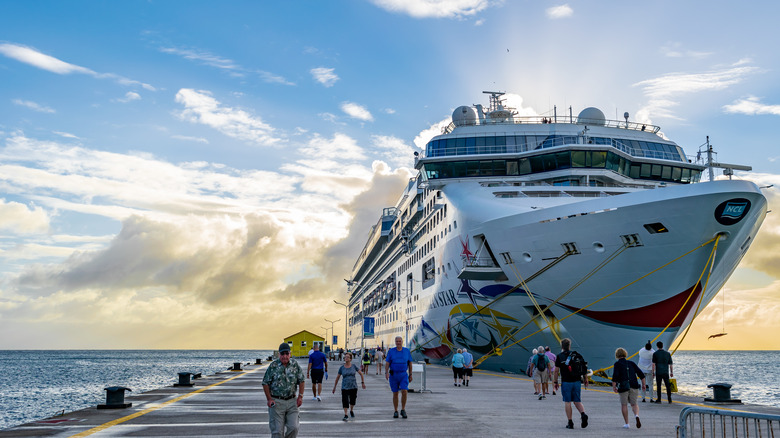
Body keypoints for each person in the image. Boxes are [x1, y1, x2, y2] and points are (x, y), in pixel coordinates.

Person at [262, 342, 305, 438]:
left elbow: (301, 380)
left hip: (292, 402)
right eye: (282, 354)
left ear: (290, 354)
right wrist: (269, 399)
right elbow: (265, 383)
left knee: (294, 428)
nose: (284, 356)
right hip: (277, 402)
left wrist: (300, 396)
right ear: (279, 354)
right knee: (277, 432)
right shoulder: (273, 366)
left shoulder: (295, 365)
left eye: (287, 354)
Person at [553, 338, 589, 429]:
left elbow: (556, 371)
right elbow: (583, 367)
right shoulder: (576, 355)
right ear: (569, 346)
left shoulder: (560, 356)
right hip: (577, 381)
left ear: (562, 346)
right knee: (577, 400)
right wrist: (585, 379)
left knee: (568, 402)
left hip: (566, 382)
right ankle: (583, 414)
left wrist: (555, 382)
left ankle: (570, 422)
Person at [611, 347, 645, 429]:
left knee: (624, 405)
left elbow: (615, 376)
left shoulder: (617, 364)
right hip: (634, 385)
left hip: (623, 386)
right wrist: (643, 384)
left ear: (617, 355)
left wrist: (614, 386)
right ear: (625, 354)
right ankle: (636, 415)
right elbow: (641, 374)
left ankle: (627, 424)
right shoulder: (631, 363)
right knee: (634, 404)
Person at [332, 351, 366, 421]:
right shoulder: (342, 368)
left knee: (352, 401)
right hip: (345, 387)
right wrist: (334, 387)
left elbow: (361, 374)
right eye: (345, 357)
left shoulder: (354, 366)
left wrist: (362, 382)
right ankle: (346, 414)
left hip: (353, 386)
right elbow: (337, 378)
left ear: (350, 359)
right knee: (345, 401)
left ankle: (351, 410)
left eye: (348, 357)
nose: (346, 358)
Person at [385, 336, 413, 419]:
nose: (398, 343)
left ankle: (403, 409)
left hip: (403, 374)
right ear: (395, 342)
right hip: (393, 375)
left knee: (404, 391)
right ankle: (396, 410)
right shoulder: (391, 351)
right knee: (395, 393)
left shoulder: (406, 351)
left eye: (399, 341)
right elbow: (387, 363)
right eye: (397, 341)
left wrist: (410, 374)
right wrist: (386, 372)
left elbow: (410, 363)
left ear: (402, 342)